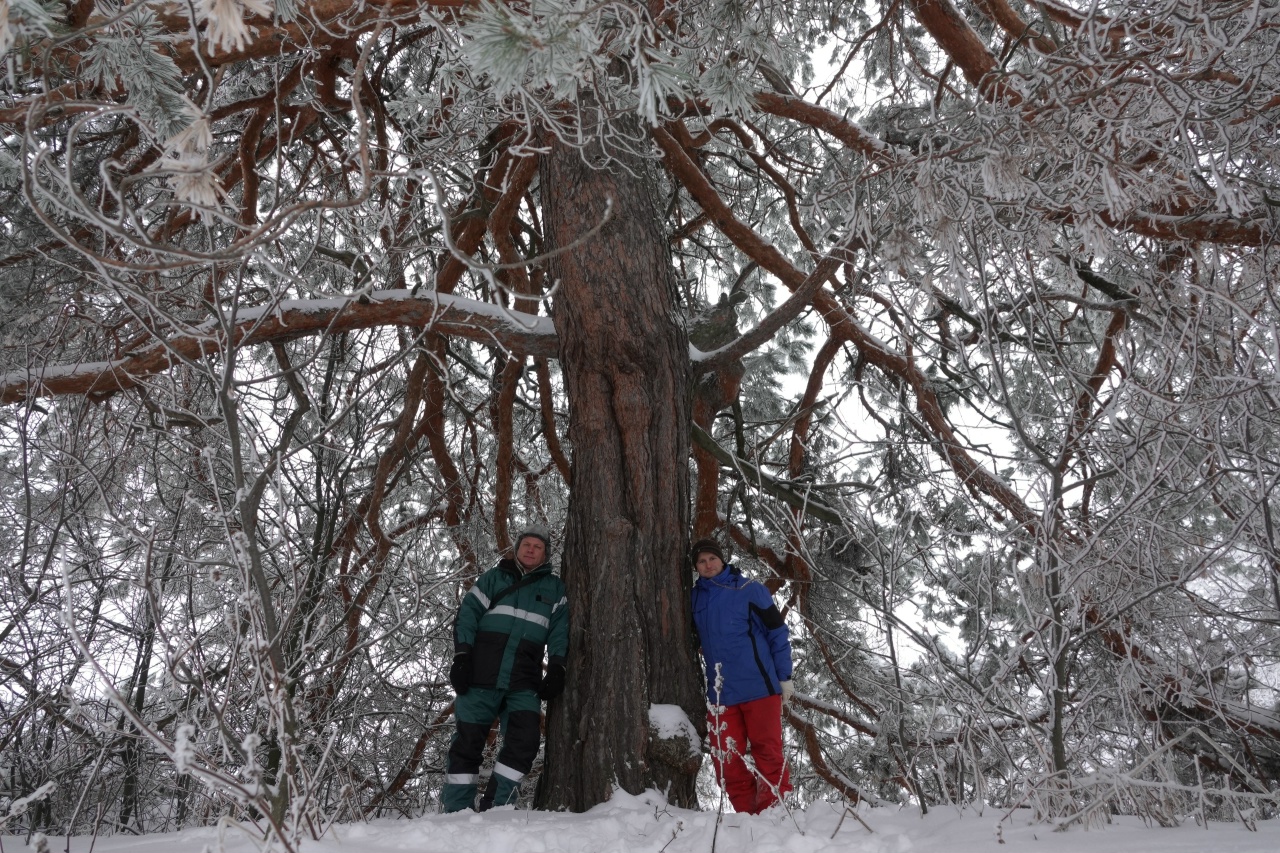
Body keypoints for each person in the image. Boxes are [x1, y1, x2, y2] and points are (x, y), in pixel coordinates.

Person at [442, 525, 568, 812]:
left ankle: (497, 807)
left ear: (545, 554)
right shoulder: (493, 579)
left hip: (523, 680)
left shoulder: (554, 589)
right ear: (517, 548)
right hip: (479, 676)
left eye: (538, 546)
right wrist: (461, 657)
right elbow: (467, 616)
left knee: (525, 740)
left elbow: (560, 632)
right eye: (527, 544)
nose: (531, 549)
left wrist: (558, 667)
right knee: (467, 744)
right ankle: (456, 813)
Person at [689, 537, 794, 814]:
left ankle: (774, 816)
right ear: (696, 567)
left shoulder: (750, 590)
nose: (708, 564)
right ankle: (748, 819)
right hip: (721, 695)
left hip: (759, 689)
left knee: (768, 755)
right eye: (701, 561)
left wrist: (785, 677)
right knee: (726, 762)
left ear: (722, 560)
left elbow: (777, 633)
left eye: (712, 558)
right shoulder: (694, 597)